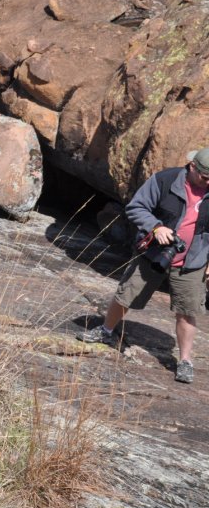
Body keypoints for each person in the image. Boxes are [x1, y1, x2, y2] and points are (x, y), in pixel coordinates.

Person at [79, 147, 209, 384]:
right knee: (125, 295)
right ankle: (106, 331)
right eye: (205, 177)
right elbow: (136, 207)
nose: (208, 182)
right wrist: (156, 228)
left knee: (187, 312)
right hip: (153, 252)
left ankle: (185, 361)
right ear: (192, 167)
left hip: (193, 260)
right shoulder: (165, 180)